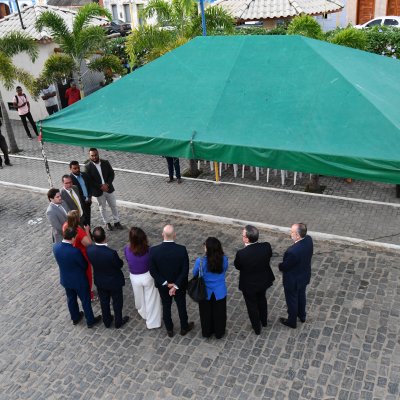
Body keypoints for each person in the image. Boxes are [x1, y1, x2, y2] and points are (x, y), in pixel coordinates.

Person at [149, 224, 193, 337]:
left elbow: (153, 271)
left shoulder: (153, 251)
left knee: (166, 306)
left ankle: (169, 329)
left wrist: (165, 284)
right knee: (181, 306)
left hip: (163, 287)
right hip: (180, 286)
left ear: (162, 234)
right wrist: (176, 285)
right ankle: (184, 327)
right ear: (175, 235)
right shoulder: (181, 250)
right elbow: (185, 270)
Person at [53, 227, 101, 328]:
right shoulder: (75, 251)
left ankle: (75, 317)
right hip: (79, 281)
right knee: (85, 300)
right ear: (72, 238)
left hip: (66, 279)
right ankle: (90, 320)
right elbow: (84, 265)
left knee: (71, 299)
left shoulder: (56, 247)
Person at [234, 225, 275, 335]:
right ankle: (264, 321)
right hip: (263, 281)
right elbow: (269, 255)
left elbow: (237, 266)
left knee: (252, 305)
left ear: (247, 239)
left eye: (243, 235)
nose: (242, 237)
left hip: (249, 285)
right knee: (262, 300)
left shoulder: (242, 254)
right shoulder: (266, 246)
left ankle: (257, 328)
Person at [87, 227, 129, 329]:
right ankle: (118, 322)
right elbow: (119, 264)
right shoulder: (111, 253)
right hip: (114, 282)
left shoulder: (90, 250)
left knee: (104, 302)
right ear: (105, 237)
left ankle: (107, 321)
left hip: (100, 281)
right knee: (117, 302)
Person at [124, 227, 161, 329]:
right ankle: (153, 322)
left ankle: (143, 312)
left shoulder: (127, 249)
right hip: (147, 276)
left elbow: (128, 260)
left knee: (139, 297)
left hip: (135, 277)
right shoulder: (149, 250)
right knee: (152, 298)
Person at [192, 237, 229, 339]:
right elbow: (225, 269)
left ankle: (207, 332)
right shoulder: (224, 259)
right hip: (220, 291)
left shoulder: (200, 261)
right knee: (220, 313)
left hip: (205, 291)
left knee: (205, 313)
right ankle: (219, 332)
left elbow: (195, 273)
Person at [279, 223, 313, 329]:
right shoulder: (308, 239)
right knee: (301, 295)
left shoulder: (292, 252)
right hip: (304, 276)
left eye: (292, 232)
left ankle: (292, 321)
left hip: (293, 280)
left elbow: (285, 266)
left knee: (292, 300)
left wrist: (280, 265)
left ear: (298, 235)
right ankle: (302, 316)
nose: (290, 234)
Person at [84, 148, 123, 231]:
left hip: (109, 188)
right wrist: (100, 186)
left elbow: (111, 174)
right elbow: (89, 180)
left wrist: (107, 184)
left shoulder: (105, 162)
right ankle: (107, 223)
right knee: (102, 207)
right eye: (92, 156)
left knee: (113, 206)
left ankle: (117, 222)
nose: (94, 157)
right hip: (99, 191)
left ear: (98, 154)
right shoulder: (87, 167)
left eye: (95, 155)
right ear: (89, 156)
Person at [62, 210, 94, 301]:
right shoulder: (79, 231)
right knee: (88, 273)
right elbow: (89, 243)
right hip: (82, 254)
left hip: (72, 253)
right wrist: (87, 231)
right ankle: (90, 294)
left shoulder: (65, 225)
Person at [69, 161, 92, 226]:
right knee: (82, 221)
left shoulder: (84, 175)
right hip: (80, 204)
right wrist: (85, 198)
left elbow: (90, 186)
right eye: (75, 168)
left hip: (88, 202)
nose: (77, 169)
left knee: (88, 219)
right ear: (70, 169)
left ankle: (88, 230)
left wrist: (89, 197)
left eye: (78, 167)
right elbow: (74, 193)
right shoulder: (70, 180)